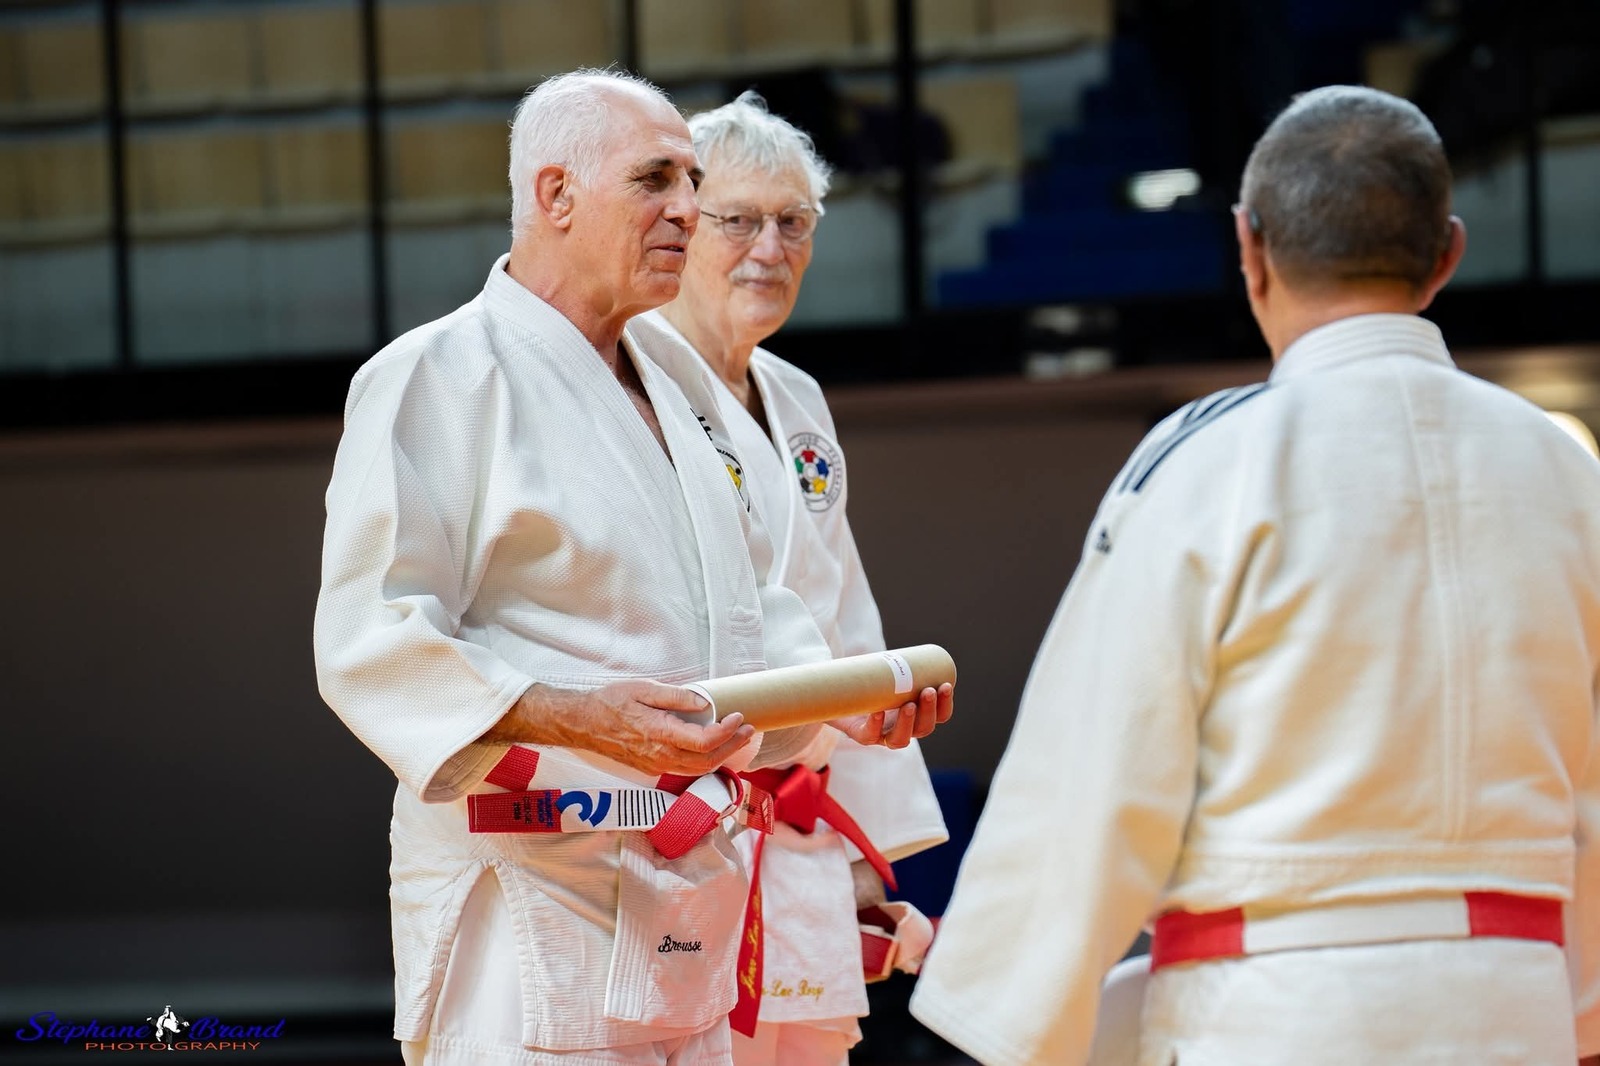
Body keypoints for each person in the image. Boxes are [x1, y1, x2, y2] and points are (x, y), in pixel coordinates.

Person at [910, 84, 1600, 1065]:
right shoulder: (1568, 471)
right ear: (1447, 253)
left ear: (1249, 248)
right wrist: (1584, 1012)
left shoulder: (1209, 464)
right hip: (1513, 1005)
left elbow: (1098, 765)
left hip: (1275, 1007)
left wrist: (1004, 1019)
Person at [313, 69, 948, 1066]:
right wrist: (571, 715)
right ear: (555, 194)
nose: (688, 208)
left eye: (692, 181)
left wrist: (842, 709)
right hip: (526, 887)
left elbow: (750, 612)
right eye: (656, 179)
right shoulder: (440, 374)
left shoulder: (683, 385)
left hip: (688, 885)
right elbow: (373, 640)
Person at [625, 92, 950, 1065]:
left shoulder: (796, 395)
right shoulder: (629, 381)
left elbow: (847, 617)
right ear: (684, 225)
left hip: (801, 819)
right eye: (739, 220)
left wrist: (866, 847)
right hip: (680, 817)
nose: (770, 248)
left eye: (794, 222)